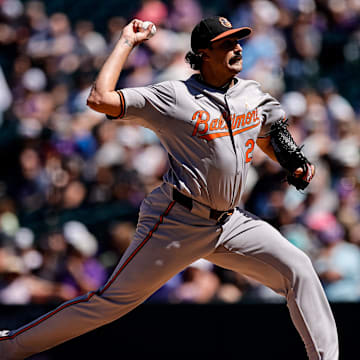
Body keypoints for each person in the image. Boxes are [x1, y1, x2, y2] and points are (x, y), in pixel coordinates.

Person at [0, 16, 338, 360]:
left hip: (231, 222)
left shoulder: (251, 93)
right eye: (226, 43)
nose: (237, 47)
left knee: (298, 268)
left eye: (238, 41)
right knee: (108, 303)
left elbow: (271, 131)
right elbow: (100, 99)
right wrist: (127, 43)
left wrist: (293, 159)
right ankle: (8, 347)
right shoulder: (175, 96)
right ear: (204, 53)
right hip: (178, 219)